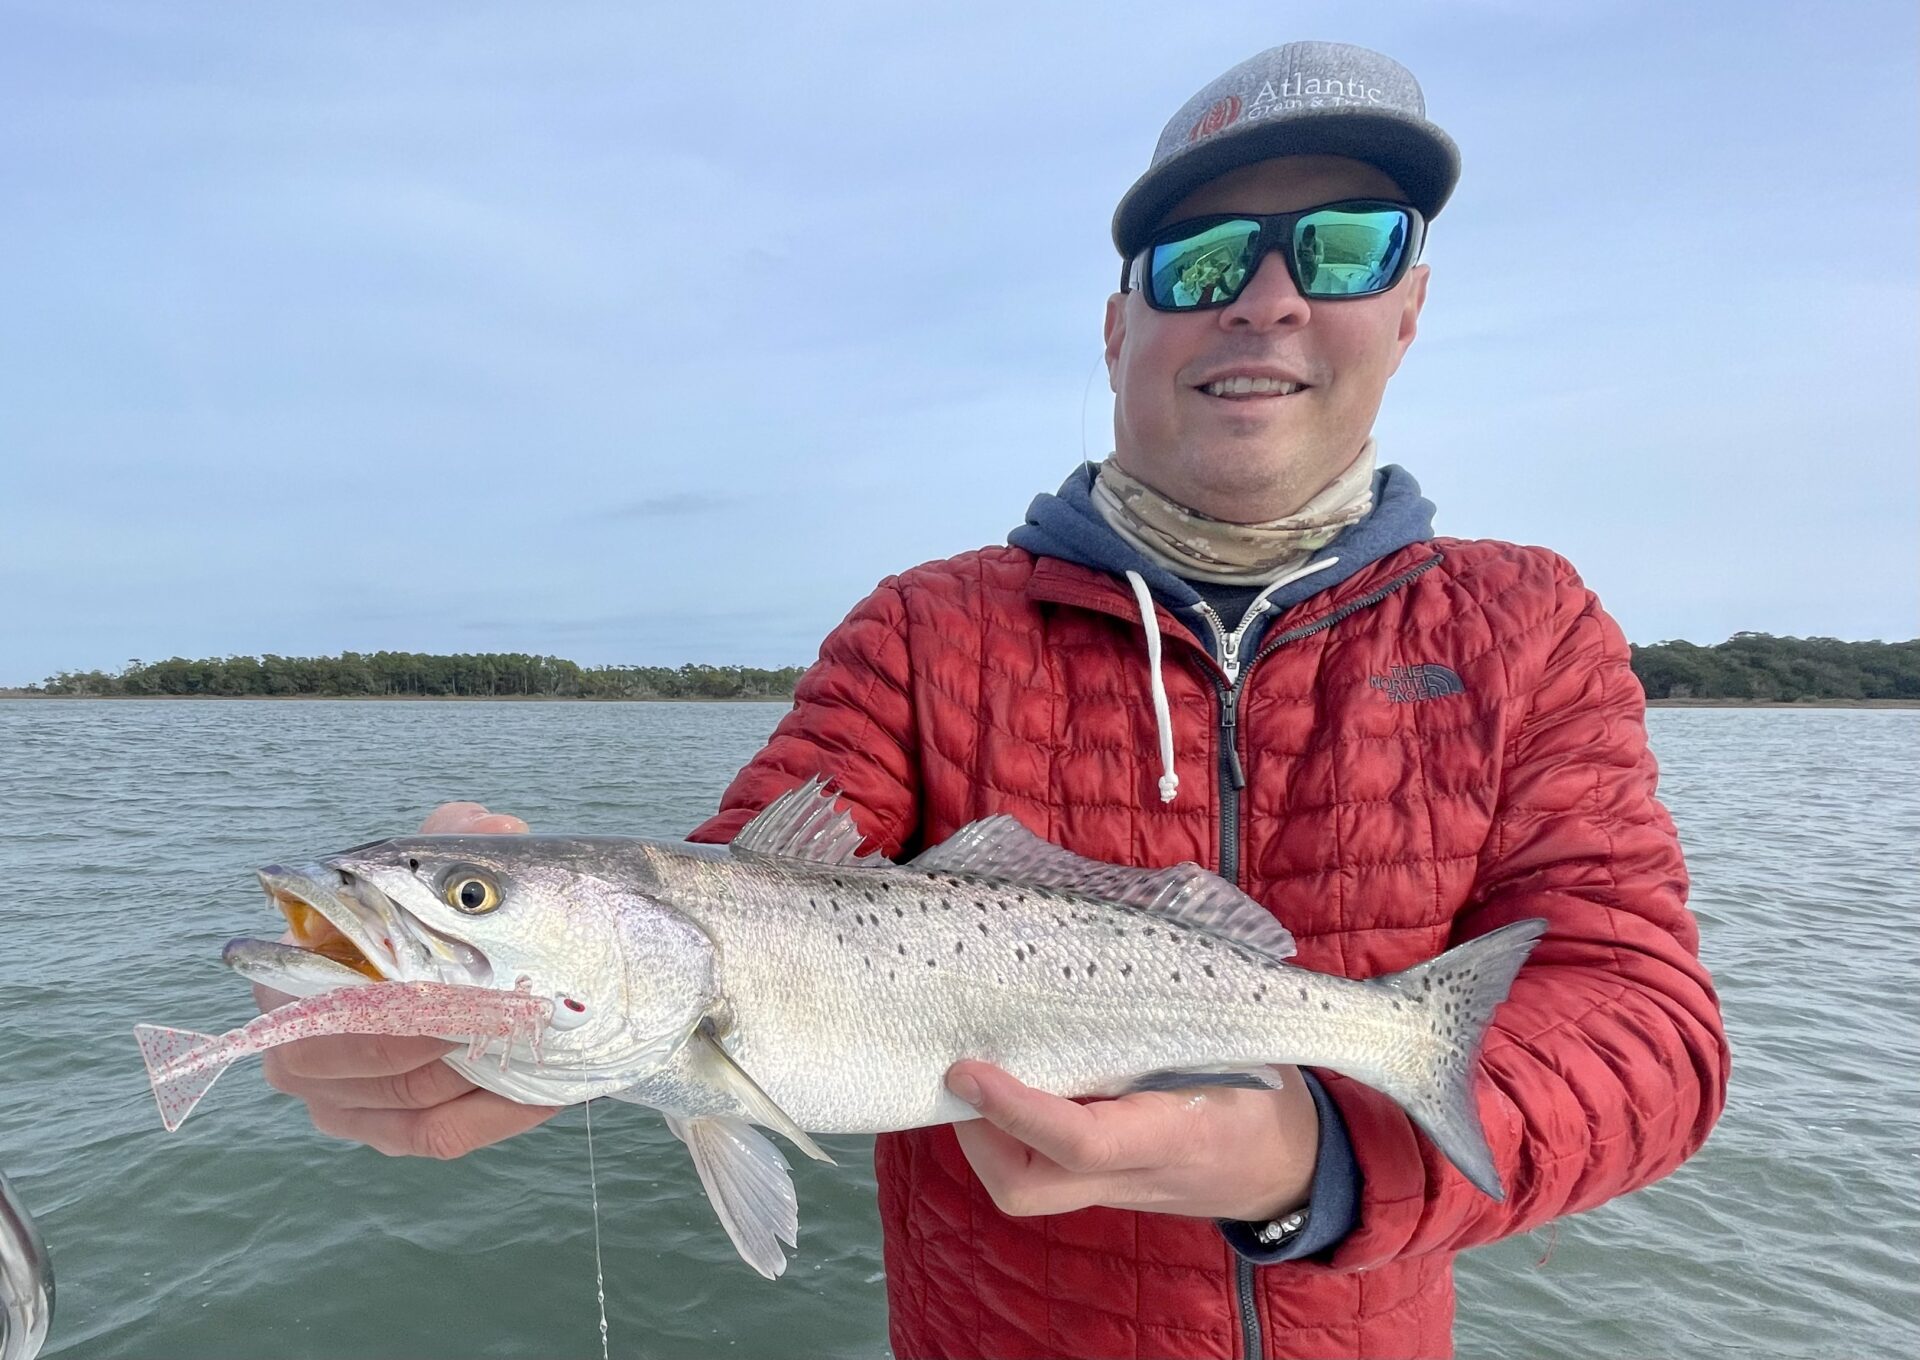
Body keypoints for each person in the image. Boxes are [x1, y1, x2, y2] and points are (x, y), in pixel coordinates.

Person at [259, 41, 1729, 1360]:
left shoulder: (1529, 624)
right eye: (1206, 260)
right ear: (1118, 326)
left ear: (1407, 311)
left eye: (1343, 250)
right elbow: (742, 873)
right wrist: (490, 1031)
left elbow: (1650, 1028)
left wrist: (1311, 1159)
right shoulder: (918, 629)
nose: (1271, 299)